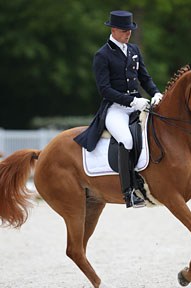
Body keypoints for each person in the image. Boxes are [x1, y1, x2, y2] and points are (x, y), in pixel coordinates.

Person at [74, 10, 162, 208]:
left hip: (138, 105)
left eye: (130, 30)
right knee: (127, 139)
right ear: (113, 29)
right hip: (116, 109)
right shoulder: (102, 55)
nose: (128, 33)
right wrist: (132, 101)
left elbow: (144, 78)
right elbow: (105, 90)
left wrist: (156, 93)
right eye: (124, 30)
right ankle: (129, 191)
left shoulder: (133, 50)